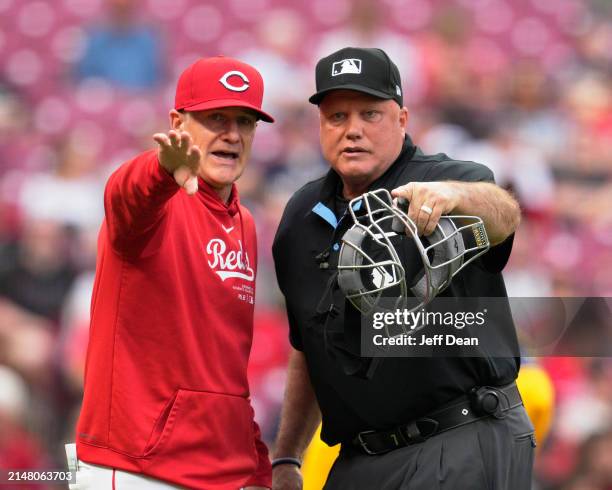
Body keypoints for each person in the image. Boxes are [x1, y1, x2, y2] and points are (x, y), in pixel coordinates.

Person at [271, 47, 532, 490]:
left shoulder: (449, 178)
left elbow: (503, 212)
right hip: (360, 458)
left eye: (370, 114)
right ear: (320, 126)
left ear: (402, 119)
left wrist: (454, 196)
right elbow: (308, 348)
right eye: (337, 117)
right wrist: (287, 458)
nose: (352, 130)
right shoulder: (302, 217)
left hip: (461, 434)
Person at [68, 56, 274, 490]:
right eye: (216, 117)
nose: (232, 135)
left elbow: (225, 364)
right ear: (178, 122)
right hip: (136, 468)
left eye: (245, 121)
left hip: (222, 469)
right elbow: (124, 193)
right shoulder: (153, 201)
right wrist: (162, 169)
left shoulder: (246, 223)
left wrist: (256, 461)